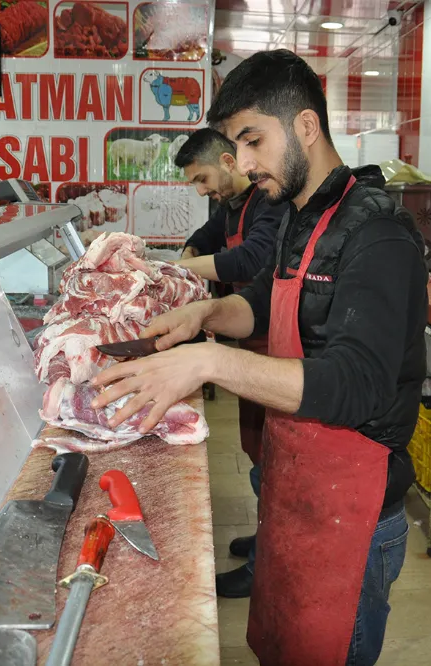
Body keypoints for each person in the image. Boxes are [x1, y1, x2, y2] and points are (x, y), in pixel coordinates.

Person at [90, 49, 427, 666]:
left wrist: (209, 363)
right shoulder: (299, 215)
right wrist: (206, 315)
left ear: (306, 126)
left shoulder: (377, 233)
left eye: (253, 140)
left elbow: (358, 383)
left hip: (353, 513)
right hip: (295, 491)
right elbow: (267, 303)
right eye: (236, 146)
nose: (243, 163)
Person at [172, 127, 288, 598]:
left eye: (202, 179)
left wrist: (171, 269)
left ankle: (267, 567)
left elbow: (250, 260)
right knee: (257, 450)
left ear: (226, 161)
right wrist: (189, 252)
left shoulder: (268, 202)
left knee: (274, 460)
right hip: (251, 339)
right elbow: (207, 235)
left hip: (278, 344)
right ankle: (265, 541)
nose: (202, 191)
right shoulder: (232, 204)